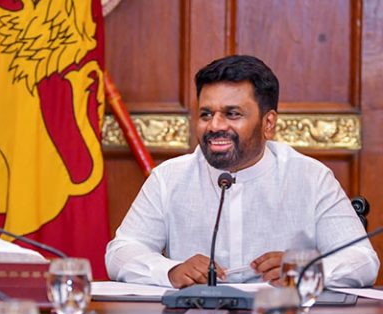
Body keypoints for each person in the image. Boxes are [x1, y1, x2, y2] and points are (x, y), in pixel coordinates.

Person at [105, 55, 379, 289]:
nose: (214, 126)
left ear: (268, 123)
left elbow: (363, 260)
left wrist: (306, 270)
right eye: (206, 114)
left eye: (232, 114)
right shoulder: (169, 178)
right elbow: (121, 252)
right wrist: (170, 271)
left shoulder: (311, 177)